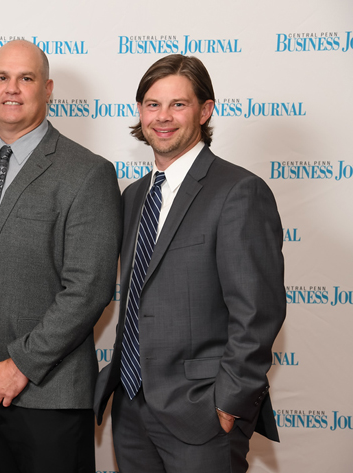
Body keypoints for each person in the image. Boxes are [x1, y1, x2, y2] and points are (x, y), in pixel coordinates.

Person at [93, 54, 286, 473]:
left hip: (204, 414)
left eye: (178, 104)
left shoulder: (239, 191)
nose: (163, 117)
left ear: (205, 110)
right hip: (130, 408)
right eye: (152, 104)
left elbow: (257, 312)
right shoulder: (134, 196)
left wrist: (230, 402)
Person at [0, 39, 122, 472]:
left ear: (48, 89)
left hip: (51, 396)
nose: (12, 89)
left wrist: (22, 363)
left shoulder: (87, 172)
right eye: (2, 78)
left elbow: (88, 288)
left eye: (26, 78)